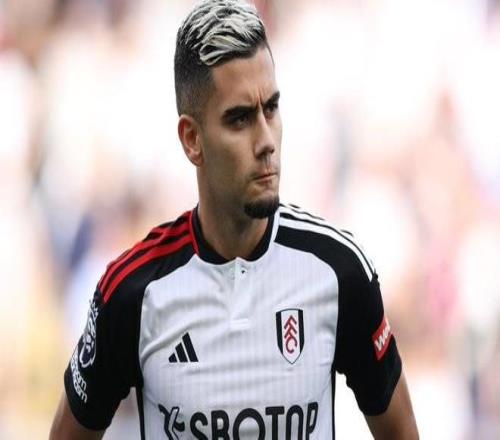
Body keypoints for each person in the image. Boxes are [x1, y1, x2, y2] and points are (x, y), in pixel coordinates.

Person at [50, 0, 419, 438]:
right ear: (192, 139)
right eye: (240, 119)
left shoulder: (340, 270)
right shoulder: (132, 292)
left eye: (271, 109)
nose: (266, 141)